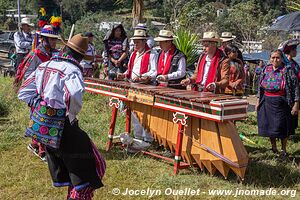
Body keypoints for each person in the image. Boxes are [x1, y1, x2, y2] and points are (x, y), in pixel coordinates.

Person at [18, 34, 105, 199]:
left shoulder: (45, 65)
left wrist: (41, 106)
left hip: (45, 130)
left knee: (73, 168)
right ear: (81, 57)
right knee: (95, 167)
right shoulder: (72, 70)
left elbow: (24, 91)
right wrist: (70, 115)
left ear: (65, 49)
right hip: (64, 126)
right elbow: (74, 95)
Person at [15, 25, 59, 162]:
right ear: (43, 39)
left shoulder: (54, 54)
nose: (53, 42)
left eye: (54, 40)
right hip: (37, 93)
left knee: (46, 119)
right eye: (50, 39)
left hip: (49, 93)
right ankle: (41, 150)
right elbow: (28, 76)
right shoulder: (35, 55)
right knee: (40, 118)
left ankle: (35, 144)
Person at [256, 50, 299, 157]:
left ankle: (283, 149)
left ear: (282, 58)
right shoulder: (266, 69)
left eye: (278, 57)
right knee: (269, 126)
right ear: (270, 58)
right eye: (273, 57)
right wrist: (258, 101)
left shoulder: (287, 70)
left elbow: (296, 87)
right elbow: (260, 87)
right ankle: (274, 147)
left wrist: (296, 104)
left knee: (282, 127)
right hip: (267, 101)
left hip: (282, 102)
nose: (275, 60)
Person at [117, 29, 158, 143]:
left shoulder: (152, 53)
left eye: (137, 42)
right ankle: (138, 137)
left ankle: (148, 139)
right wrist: (123, 75)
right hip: (133, 86)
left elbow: (154, 71)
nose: (135, 44)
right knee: (135, 114)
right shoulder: (134, 54)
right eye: (134, 42)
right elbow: (130, 70)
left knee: (146, 115)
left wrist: (142, 76)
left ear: (144, 41)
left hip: (146, 87)